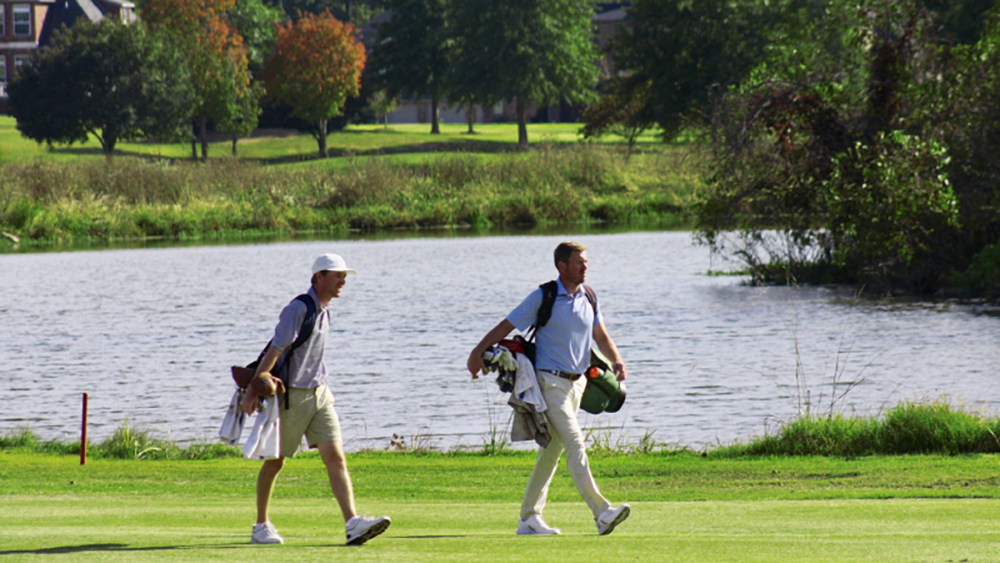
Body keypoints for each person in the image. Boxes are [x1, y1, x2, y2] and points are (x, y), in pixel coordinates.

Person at [466, 241, 631, 536]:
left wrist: (616, 360)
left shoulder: (589, 297)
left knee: (552, 449)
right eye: (579, 262)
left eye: (586, 261)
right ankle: (602, 512)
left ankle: (529, 518)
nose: (585, 266)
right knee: (575, 442)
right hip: (549, 383)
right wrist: (477, 352)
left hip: (578, 384)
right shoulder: (543, 297)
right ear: (562, 266)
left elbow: (601, 337)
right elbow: (506, 326)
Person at [241, 253, 390, 546]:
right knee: (275, 461)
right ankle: (260, 526)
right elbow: (275, 349)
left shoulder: (325, 310)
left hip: (320, 393)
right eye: (336, 275)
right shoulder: (298, 308)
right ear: (318, 277)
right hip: (291, 396)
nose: (342, 281)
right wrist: (252, 390)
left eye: (344, 276)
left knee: (335, 457)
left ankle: (352, 523)